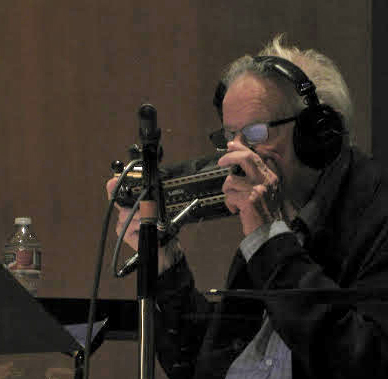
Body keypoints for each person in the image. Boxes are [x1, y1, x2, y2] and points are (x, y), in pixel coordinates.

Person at [106, 35, 388, 379]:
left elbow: (361, 362)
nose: (235, 156)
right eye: (229, 136)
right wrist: (165, 264)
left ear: (318, 134)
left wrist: (270, 240)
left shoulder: (374, 214)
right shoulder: (272, 218)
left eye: (255, 134)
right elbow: (206, 365)